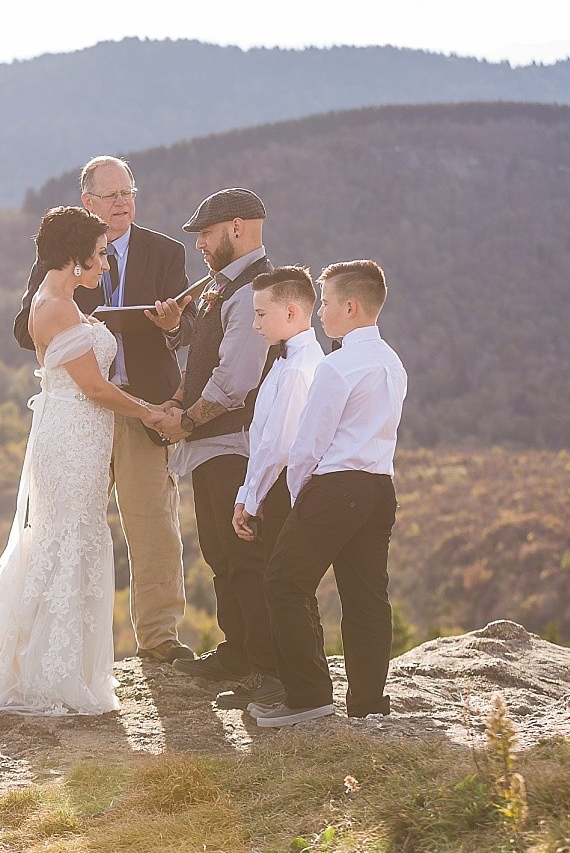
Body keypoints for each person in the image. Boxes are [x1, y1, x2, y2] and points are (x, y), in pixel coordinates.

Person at [0, 206, 168, 726]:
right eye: (100, 255)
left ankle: (60, 663)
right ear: (76, 257)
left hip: (79, 434)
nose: (106, 264)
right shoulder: (56, 306)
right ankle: (51, 673)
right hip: (73, 436)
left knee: (69, 536)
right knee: (68, 536)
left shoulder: (63, 302)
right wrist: (149, 410)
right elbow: (95, 388)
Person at [11, 156, 197, 663]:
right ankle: (51, 643)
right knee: (71, 527)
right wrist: (75, 324)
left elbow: (189, 332)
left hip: (142, 405)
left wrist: (169, 326)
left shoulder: (165, 252)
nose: (123, 203)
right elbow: (23, 327)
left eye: (128, 193)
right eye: (111, 196)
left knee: (153, 522)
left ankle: (159, 637)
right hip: (81, 417)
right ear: (87, 203)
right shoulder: (64, 255)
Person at [251, 260, 407, 728]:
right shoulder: (393, 363)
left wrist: (301, 497)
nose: (321, 314)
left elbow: (308, 447)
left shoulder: (338, 366)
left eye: (330, 304)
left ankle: (307, 696)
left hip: (336, 488)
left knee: (283, 583)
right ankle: (367, 701)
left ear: (352, 307)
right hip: (380, 487)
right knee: (366, 596)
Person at [147, 188, 272, 683]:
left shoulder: (252, 291)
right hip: (211, 445)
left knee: (243, 557)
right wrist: (177, 334)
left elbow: (235, 381)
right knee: (222, 555)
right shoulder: (222, 286)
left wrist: (186, 420)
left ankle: (260, 665)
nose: (199, 243)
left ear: (237, 228)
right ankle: (239, 651)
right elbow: (204, 354)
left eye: (206, 233)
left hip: (232, 445)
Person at [209, 266, 325, 713]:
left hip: (280, 491)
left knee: (279, 585)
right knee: (279, 584)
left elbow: (277, 445)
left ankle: (283, 679)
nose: (255, 324)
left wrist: (249, 498)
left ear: (292, 312)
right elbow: (263, 435)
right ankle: (286, 676)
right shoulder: (287, 361)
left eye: (261, 315)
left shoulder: (298, 370)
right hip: (269, 486)